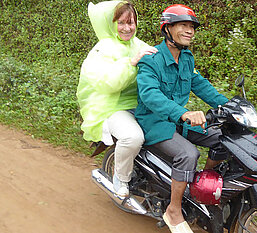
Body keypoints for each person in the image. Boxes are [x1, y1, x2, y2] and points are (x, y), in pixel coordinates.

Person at [135, 4, 228, 233]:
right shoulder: (152, 60)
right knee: (188, 154)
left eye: (192, 27)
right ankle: (173, 210)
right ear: (167, 28)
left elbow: (201, 85)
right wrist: (183, 112)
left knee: (223, 139)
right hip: (154, 123)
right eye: (183, 25)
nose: (189, 30)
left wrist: (229, 106)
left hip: (178, 121)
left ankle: (202, 192)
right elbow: (150, 95)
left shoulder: (187, 58)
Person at [76, 0, 157, 197]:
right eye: (121, 23)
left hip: (140, 105)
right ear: (111, 24)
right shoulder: (102, 49)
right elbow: (109, 83)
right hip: (111, 107)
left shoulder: (138, 44)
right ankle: (120, 177)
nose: (127, 28)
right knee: (133, 137)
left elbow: (160, 61)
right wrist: (132, 62)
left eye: (131, 22)